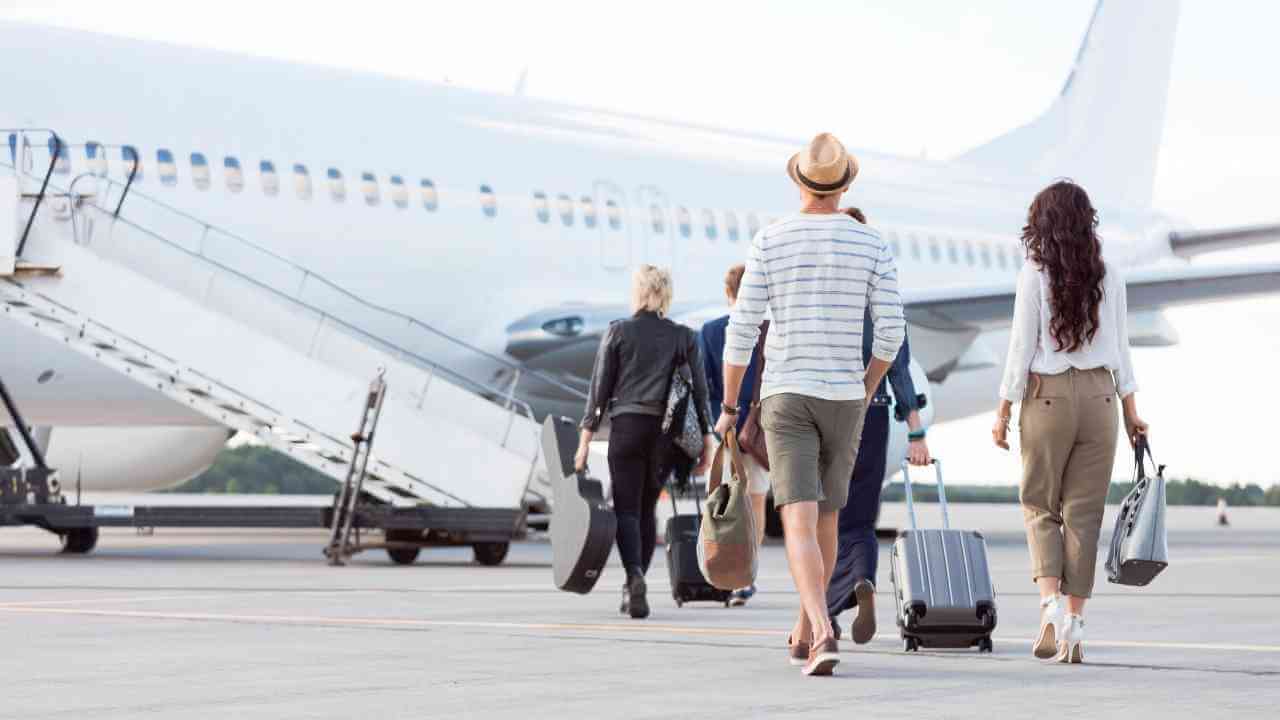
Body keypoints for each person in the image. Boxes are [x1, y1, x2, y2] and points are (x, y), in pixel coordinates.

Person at [717, 133, 904, 676]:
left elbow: (741, 329)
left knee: (796, 518)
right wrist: (866, 387)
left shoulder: (770, 240)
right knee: (827, 516)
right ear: (845, 185)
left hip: (788, 394)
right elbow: (891, 333)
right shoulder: (872, 244)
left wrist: (730, 405)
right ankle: (805, 628)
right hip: (845, 397)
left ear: (798, 181)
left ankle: (822, 631)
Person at [993, 179, 1148, 664]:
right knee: (1084, 513)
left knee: (1039, 504)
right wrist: (1131, 412)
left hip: (1048, 397)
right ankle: (1075, 626)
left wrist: (1003, 409)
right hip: (1102, 397)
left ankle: (1050, 605)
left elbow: (1021, 348)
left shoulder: (1034, 273)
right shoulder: (1112, 273)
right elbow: (1121, 348)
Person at [576, 265, 715, 620]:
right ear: (666, 294)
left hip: (626, 427)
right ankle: (638, 579)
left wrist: (584, 441)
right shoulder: (684, 336)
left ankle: (633, 577)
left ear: (638, 292)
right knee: (647, 506)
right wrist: (707, 443)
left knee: (625, 507)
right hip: (664, 435)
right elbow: (700, 392)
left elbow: (599, 390)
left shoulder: (618, 332)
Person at [826, 207, 931, 645]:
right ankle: (861, 579)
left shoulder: (821, 291)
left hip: (824, 411)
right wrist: (916, 431)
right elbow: (899, 366)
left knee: (821, 520)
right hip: (872, 414)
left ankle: (824, 613)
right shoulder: (883, 295)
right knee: (860, 523)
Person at [700, 263, 768, 607]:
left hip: (724, 428)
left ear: (728, 294)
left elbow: (704, 386)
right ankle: (747, 574)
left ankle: (723, 568)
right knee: (755, 501)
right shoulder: (770, 332)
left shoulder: (711, 332)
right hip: (759, 433)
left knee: (721, 502)